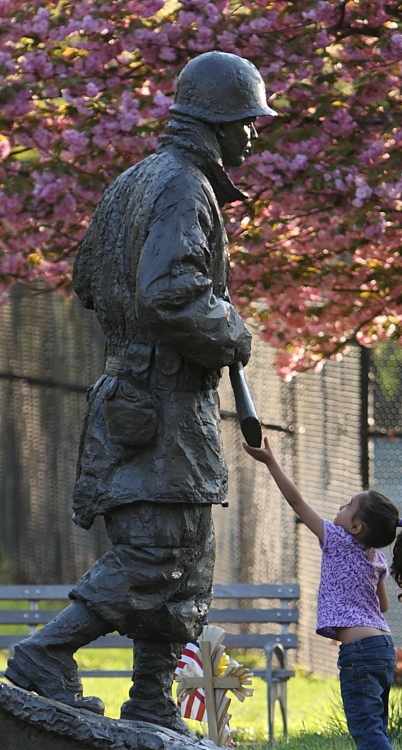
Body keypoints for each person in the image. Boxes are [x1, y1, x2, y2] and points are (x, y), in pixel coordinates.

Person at [5, 51, 276, 734]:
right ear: (220, 121)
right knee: (158, 556)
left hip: (144, 396)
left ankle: (152, 699)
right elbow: (169, 295)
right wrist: (231, 329)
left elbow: (89, 279)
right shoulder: (185, 186)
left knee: (187, 568)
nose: (255, 135)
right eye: (250, 122)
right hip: (162, 405)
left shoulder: (135, 179)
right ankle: (42, 655)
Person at [243, 437, 402, 750]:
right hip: (383, 646)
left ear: (356, 527)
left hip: (359, 652)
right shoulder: (377, 557)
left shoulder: (337, 540)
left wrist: (271, 463)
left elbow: (297, 502)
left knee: (366, 731)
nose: (340, 509)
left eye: (347, 506)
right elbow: (381, 605)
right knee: (376, 727)